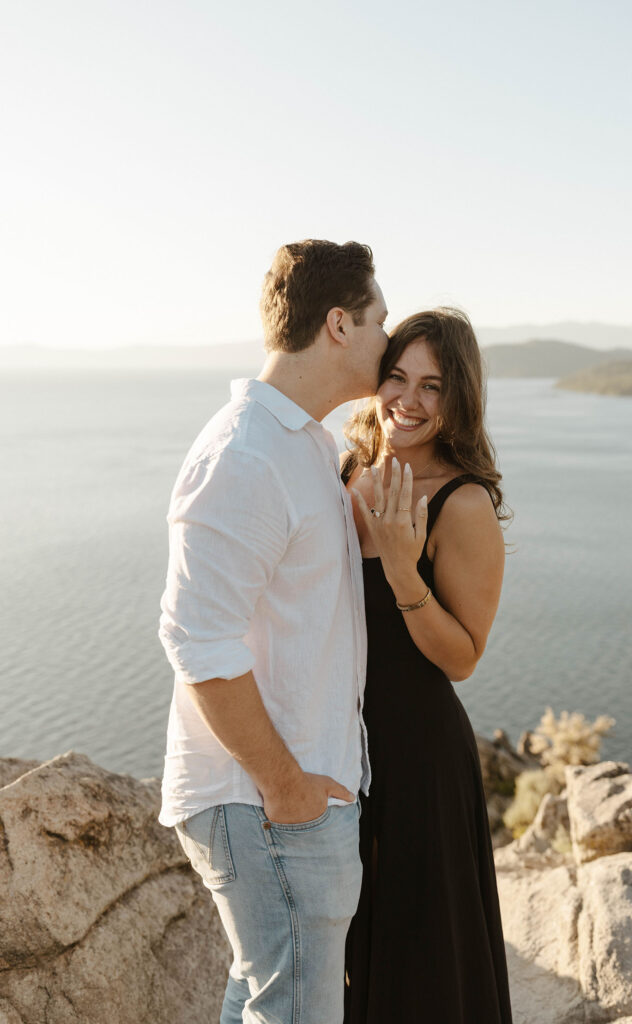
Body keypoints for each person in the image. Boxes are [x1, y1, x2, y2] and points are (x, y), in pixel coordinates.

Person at [158, 239, 389, 1024]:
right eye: (378, 321)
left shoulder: (306, 446)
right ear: (337, 325)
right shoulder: (246, 453)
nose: (387, 341)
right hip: (263, 802)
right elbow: (198, 644)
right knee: (293, 1012)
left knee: (264, 998)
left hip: (283, 797)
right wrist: (288, 788)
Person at [341, 308, 514, 1023]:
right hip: (333, 742)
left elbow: (464, 657)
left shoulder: (461, 501)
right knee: (347, 946)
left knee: (420, 956)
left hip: (415, 751)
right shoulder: (344, 466)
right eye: (397, 377)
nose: (407, 401)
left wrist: (405, 572)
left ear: (457, 399)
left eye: (432, 386)